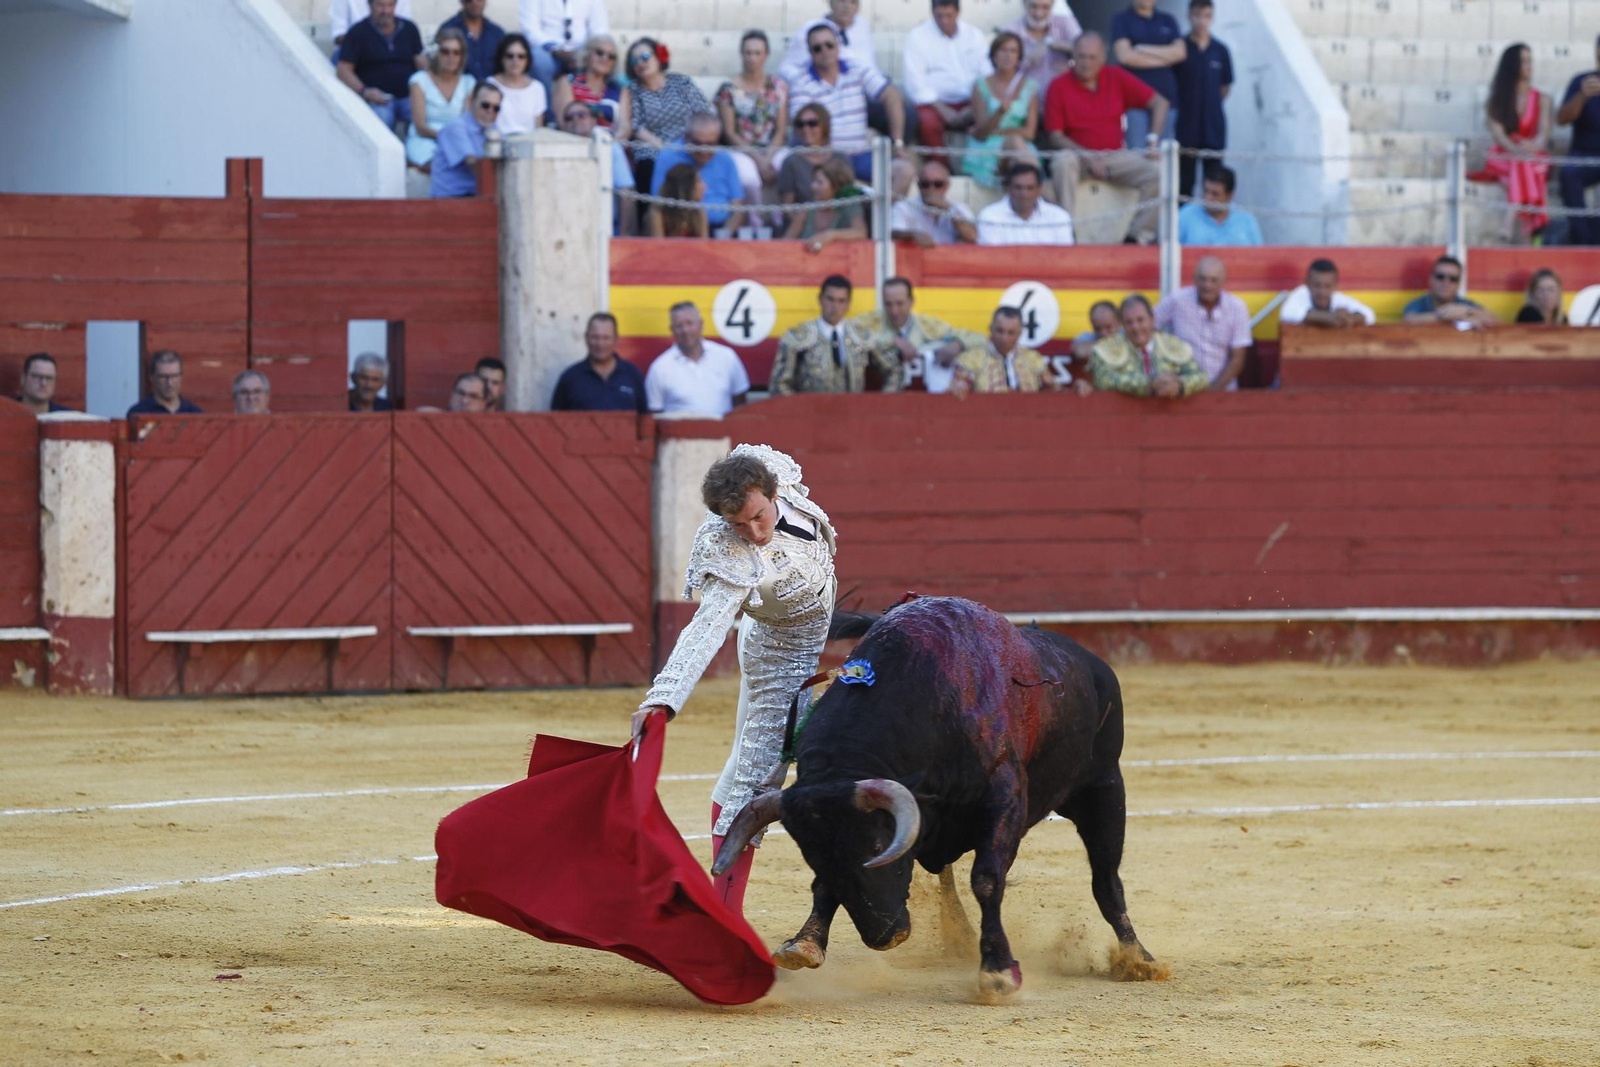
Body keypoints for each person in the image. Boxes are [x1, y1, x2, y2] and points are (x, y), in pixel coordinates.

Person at [632, 444, 838, 915]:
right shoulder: (728, 551)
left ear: (772, 492)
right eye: (739, 525)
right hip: (780, 656)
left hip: (807, 626)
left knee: (742, 769)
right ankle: (725, 917)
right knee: (754, 782)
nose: (754, 533)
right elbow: (706, 628)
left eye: (758, 517)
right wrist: (663, 699)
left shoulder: (774, 470)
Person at [1043, 33, 1163, 244]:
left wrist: (1152, 140)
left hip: (1114, 157)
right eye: (1081, 56)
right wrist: (1087, 156)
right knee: (1063, 161)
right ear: (1073, 56)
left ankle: (1137, 237)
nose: (1086, 63)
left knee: (1157, 172)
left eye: (1092, 57)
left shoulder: (1115, 76)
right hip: (1078, 158)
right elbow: (1055, 136)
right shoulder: (1058, 85)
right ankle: (1066, 232)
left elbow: (1159, 102)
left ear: (1102, 58)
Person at [787, 24, 905, 181]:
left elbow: (891, 95)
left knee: (904, 170)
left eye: (829, 45)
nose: (825, 51)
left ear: (838, 46)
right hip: (826, 158)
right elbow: (802, 127)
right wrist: (825, 155)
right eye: (817, 48)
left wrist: (897, 142)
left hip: (860, 155)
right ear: (810, 52)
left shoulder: (856, 69)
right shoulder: (801, 83)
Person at [849, 276, 986, 394]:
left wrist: (958, 344)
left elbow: (981, 338)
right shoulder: (871, 321)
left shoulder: (928, 325)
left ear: (911, 301)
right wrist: (891, 340)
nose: (894, 310)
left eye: (900, 303)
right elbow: (844, 334)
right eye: (888, 304)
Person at [770, 275, 902, 395]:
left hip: (853, 411)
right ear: (820, 299)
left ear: (848, 304)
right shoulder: (798, 336)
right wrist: (799, 410)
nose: (835, 306)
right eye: (830, 299)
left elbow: (894, 371)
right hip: (812, 411)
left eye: (841, 301)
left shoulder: (861, 335)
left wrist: (881, 405)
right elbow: (779, 384)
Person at [716, 31, 789, 224]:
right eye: (748, 53)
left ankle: (783, 220)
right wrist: (758, 159)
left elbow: (781, 129)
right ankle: (755, 222)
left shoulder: (778, 86)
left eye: (757, 53)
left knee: (786, 167)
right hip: (741, 149)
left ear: (766, 55)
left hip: (772, 147)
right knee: (749, 179)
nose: (752, 58)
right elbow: (729, 132)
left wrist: (768, 157)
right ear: (741, 54)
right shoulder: (728, 89)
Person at [627, 38, 714, 198]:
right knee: (647, 164)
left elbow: (702, 112)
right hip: (653, 146)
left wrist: (690, 143)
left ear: (659, 56)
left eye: (645, 56)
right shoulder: (634, 90)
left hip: (689, 142)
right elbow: (637, 127)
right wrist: (664, 148)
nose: (640, 63)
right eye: (634, 60)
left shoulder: (680, 82)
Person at [1482, 43, 1552, 240]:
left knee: (1526, 163)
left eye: (1530, 61)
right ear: (1512, 65)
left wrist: (1534, 145)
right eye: (1524, 61)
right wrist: (1517, 150)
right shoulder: (1496, 100)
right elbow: (1499, 136)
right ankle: (1534, 231)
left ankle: (1509, 218)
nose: (1529, 65)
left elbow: (1543, 133)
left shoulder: (1542, 99)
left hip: (1531, 153)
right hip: (1504, 156)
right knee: (1526, 165)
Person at [903, 0, 991, 151]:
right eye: (939, 16)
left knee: (995, 114)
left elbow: (987, 75)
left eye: (949, 16)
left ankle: (981, 163)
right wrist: (942, 109)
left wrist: (974, 106)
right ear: (932, 12)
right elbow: (915, 82)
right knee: (926, 121)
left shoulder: (974, 35)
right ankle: (939, 164)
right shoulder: (917, 37)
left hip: (972, 101)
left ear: (958, 11)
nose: (944, 21)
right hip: (935, 104)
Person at [1154, 255, 1250, 391]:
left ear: (1223, 282)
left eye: (1213, 280)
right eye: (1202, 279)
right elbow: (1146, 328)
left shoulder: (1237, 307)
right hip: (1183, 389)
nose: (1207, 285)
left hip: (1223, 391)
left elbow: (1238, 359)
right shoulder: (1177, 300)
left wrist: (1213, 392)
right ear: (1194, 278)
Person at [644, 302, 751, 417]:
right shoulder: (660, 368)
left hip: (723, 429)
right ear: (672, 330)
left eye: (690, 323)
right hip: (679, 429)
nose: (685, 330)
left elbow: (741, 406)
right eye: (679, 326)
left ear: (701, 324)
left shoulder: (727, 357)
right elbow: (653, 415)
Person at [1090, 294, 1208, 398]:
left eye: (1140, 320)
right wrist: (1149, 384)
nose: (1135, 327)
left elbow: (1202, 377)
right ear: (1122, 324)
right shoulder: (1106, 348)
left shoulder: (1172, 344)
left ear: (1152, 319)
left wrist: (1179, 384)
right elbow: (1103, 379)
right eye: (1129, 322)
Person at [963, 31, 1039, 190]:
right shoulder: (981, 85)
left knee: (1015, 145)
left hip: (1020, 146)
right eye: (1003, 50)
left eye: (1013, 51)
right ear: (994, 55)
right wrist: (999, 113)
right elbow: (982, 132)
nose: (1008, 55)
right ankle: (1040, 194)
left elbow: (1030, 133)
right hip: (989, 148)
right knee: (1016, 145)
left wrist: (999, 131)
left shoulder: (1030, 87)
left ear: (1019, 57)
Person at [335, 0, 427, 131]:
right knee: (381, 125)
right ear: (370, 5)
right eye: (380, 5)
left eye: (390, 5)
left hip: (408, 96)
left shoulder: (409, 28)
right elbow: (343, 69)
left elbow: (420, 61)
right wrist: (364, 91)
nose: (385, 11)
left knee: (429, 117)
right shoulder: (357, 32)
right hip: (377, 99)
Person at [651, 113, 748, 235]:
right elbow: (657, 205)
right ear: (687, 138)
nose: (704, 151)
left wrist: (723, 236)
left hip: (720, 231)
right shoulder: (669, 155)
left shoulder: (725, 158)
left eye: (710, 144)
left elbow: (738, 209)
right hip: (680, 230)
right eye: (698, 144)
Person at [1173, 0, 1231, 198]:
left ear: (1212, 17)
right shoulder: (1179, 48)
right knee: (1185, 184)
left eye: (1206, 16)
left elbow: (1225, 87)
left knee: (1214, 182)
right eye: (1197, 15)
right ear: (1189, 16)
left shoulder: (1221, 50)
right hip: (1186, 127)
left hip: (1213, 128)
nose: (1201, 21)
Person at [1110, 0, 1184, 149]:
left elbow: (1180, 53)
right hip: (1135, 103)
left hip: (1167, 99)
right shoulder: (1121, 19)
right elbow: (1125, 57)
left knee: (1163, 155)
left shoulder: (1168, 20)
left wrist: (1142, 48)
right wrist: (1165, 60)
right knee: (1138, 155)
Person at [561, 99, 636, 235]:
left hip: (607, 227)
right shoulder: (557, 149)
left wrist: (624, 235)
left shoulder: (610, 147)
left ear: (593, 120)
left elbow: (626, 189)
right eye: (569, 117)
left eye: (581, 115)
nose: (575, 119)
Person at [406, 28, 475, 170]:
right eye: (445, 51)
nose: (451, 57)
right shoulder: (419, 81)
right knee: (440, 164)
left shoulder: (468, 83)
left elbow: (465, 123)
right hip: (424, 140)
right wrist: (447, 138)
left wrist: (454, 141)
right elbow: (420, 127)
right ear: (436, 53)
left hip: (456, 141)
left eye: (456, 52)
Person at [551, 312, 648, 412]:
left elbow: (644, 418)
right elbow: (556, 419)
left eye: (606, 338)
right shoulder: (570, 378)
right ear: (586, 338)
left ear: (616, 339)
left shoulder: (633, 375)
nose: (600, 344)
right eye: (595, 337)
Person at [949, 306, 1056, 396]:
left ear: (1020, 333)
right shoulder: (971, 359)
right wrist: (959, 385)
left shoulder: (1033, 359)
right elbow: (959, 386)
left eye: (1011, 333)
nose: (1004, 338)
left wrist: (1055, 387)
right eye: (1000, 331)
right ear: (990, 329)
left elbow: (1052, 393)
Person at [1556, 35, 1600, 246]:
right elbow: (1562, 119)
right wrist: (1582, 95)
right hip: (1583, 156)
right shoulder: (1581, 81)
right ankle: (1584, 241)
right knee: (1568, 174)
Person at [517, 0, 610, 99]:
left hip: (581, 52)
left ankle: (594, 105)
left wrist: (585, 53)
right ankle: (546, 106)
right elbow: (530, 30)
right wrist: (556, 49)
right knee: (539, 60)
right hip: (547, 51)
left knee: (603, 55)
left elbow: (600, 29)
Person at [780, 0, 880, 85]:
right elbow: (787, 69)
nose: (847, 6)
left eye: (853, 2)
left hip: (868, 90)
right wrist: (807, 86)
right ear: (831, 3)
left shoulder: (862, 25)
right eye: (842, 1)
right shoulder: (811, 31)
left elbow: (871, 65)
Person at [431, 82, 502, 198]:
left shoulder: (494, 129)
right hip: (451, 199)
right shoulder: (456, 127)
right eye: (485, 105)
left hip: (475, 197)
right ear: (471, 101)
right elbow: (472, 163)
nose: (490, 111)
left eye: (496, 108)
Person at [552, 34, 630, 138]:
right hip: (576, 142)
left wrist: (610, 144)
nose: (605, 58)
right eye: (600, 52)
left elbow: (624, 128)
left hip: (611, 143)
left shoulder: (619, 90)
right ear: (587, 54)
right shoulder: (568, 82)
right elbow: (564, 123)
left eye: (611, 56)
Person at [976, 163, 1075, 245]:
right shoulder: (990, 216)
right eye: (1018, 187)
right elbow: (992, 258)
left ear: (1039, 189)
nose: (1024, 194)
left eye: (1030, 188)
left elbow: (1064, 256)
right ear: (1008, 188)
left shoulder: (1058, 217)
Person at [775, 103, 851, 209]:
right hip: (805, 218)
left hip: (840, 217)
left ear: (824, 126)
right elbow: (788, 209)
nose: (806, 129)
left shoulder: (841, 158)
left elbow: (851, 199)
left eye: (812, 123)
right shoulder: (791, 162)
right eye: (800, 124)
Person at [784, 156, 868, 251]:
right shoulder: (807, 210)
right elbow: (785, 242)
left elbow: (861, 232)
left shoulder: (849, 206)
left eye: (819, 182)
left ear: (836, 186)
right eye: (813, 181)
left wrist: (830, 235)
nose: (812, 186)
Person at [892, 157, 978, 246]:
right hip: (916, 254)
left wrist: (949, 209)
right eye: (925, 184)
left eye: (938, 184)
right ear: (919, 186)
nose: (931, 189)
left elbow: (972, 237)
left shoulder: (960, 208)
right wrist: (913, 235)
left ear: (947, 186)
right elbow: (893, 233)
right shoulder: (904, 207)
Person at [1003, 0, 1081, 93]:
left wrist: (1052, 43)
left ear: (1052, 5)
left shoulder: (1065, 22)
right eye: (1033, 6)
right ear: (1024, 3)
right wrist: (1028, 58)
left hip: (1063, 95)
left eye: (1045, 7)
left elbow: (1086, 49)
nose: (1039, 13)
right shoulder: (1010, 31)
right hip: (1027, 97)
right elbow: (1001, 68)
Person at [1401, 255, 1498, 327]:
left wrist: (1468, 311)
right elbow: (1409, 320)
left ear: (1459, 284)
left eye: (1453, 278)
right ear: (1431, 279)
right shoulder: (1418, 304)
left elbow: (1496, 321)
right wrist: (1448, 315)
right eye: (1440, 277)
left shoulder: (1465, 305)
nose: (1446, 282)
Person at [1177, 165, 1262, 245]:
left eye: (1215, 194)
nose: (1208, 197)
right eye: (1205, 191)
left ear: (1229, 196)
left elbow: (1259, 253)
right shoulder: (1186, 215)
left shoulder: (1246, 220)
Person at [1279, 258, 1376, 329]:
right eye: (1317, 285)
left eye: (1327, 286)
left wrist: (1351, 319)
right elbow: (1287, 314)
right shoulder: (1301, 293)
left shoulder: (1338, 298)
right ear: (1307, 283)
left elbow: (1369, 314)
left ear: (1335, 286)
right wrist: (1329, 317)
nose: (1322, 291)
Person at [489, 34, 550, 135]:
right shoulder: (490, 84)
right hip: (497, 141)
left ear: (527, 59)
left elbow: (538, 128)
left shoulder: (537, 88)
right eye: (510, 56)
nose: (515, 60)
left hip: (528, 142)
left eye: (521, 56)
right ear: (501, 58)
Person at [439, 0, 505, 82]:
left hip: (491, 88)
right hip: (457, 88)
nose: (474, 2)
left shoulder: (497, 33)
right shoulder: (447, 29)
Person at [127, 350, 202, 416]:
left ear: (181, 376)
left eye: (174, 376)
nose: (170, 383)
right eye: (163, 377)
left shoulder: (195, 414)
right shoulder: (138, 413)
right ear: (152, 377)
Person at [648, 163, 710, 238]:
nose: (704, 186)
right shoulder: (659, 212)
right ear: (686, 187)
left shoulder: (699, 211)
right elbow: (658, 243)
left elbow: (704, 242)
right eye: (698, 181)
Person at [330, 0, 413, 54]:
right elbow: (339, 35)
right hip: (356, 54)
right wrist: (368, 46)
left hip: (394, 50)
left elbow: (406, 30)